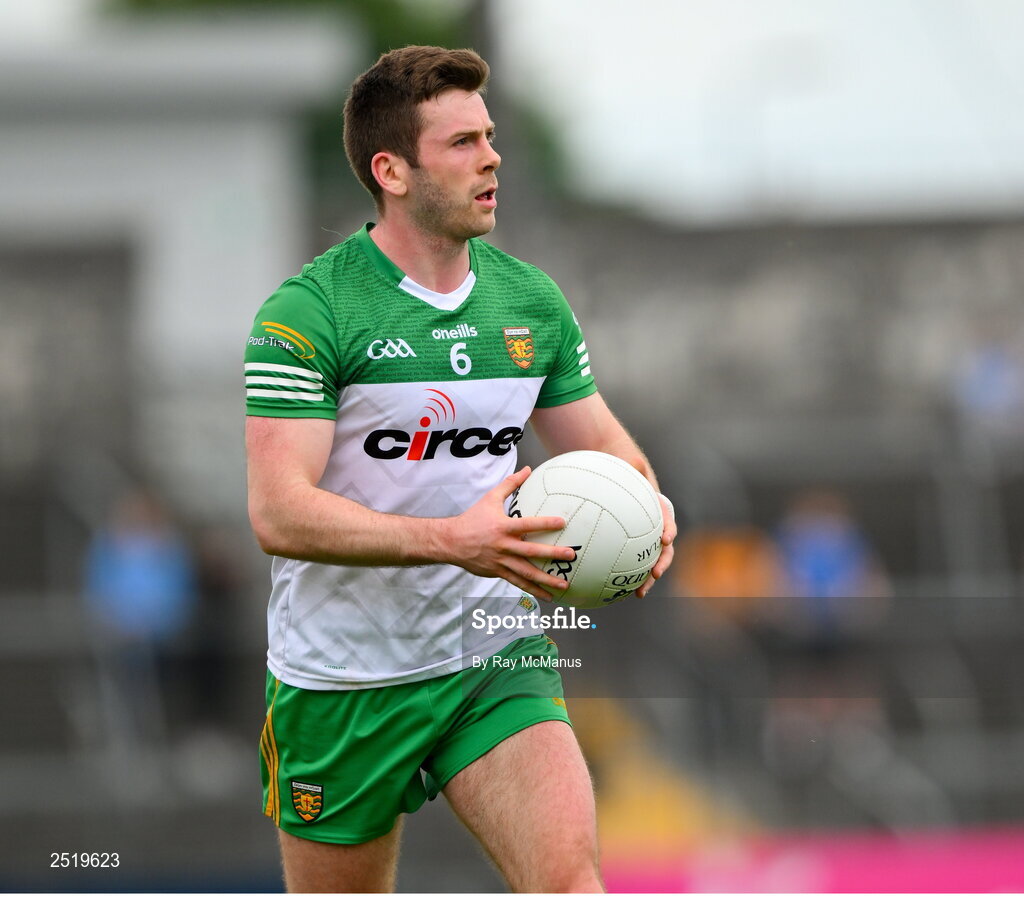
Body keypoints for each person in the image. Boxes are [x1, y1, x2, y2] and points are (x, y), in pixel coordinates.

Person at [244, 46, 676, 893]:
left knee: (571, 883)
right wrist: (454, 540)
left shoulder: (529, 302)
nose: (492, 157)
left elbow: (609, 450)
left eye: (490, 136)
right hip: (344, 680)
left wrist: (648, 512)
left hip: (494, 652)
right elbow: (278, 513)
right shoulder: (309, 312)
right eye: (463, 143)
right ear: (391, 170)